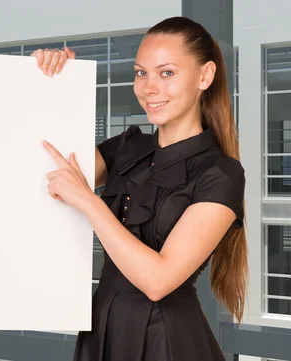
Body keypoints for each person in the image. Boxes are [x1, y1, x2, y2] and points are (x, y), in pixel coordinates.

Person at [33, 16, 247, 361]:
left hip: (166, 339)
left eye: (167, 73)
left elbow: (158, 281)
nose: (148, 88)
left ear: (205, 76)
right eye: (140, 72)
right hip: (100, 329)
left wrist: (89, 203)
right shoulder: (127, 148)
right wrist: (51, 85)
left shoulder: (221, 174)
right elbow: (49, 171)